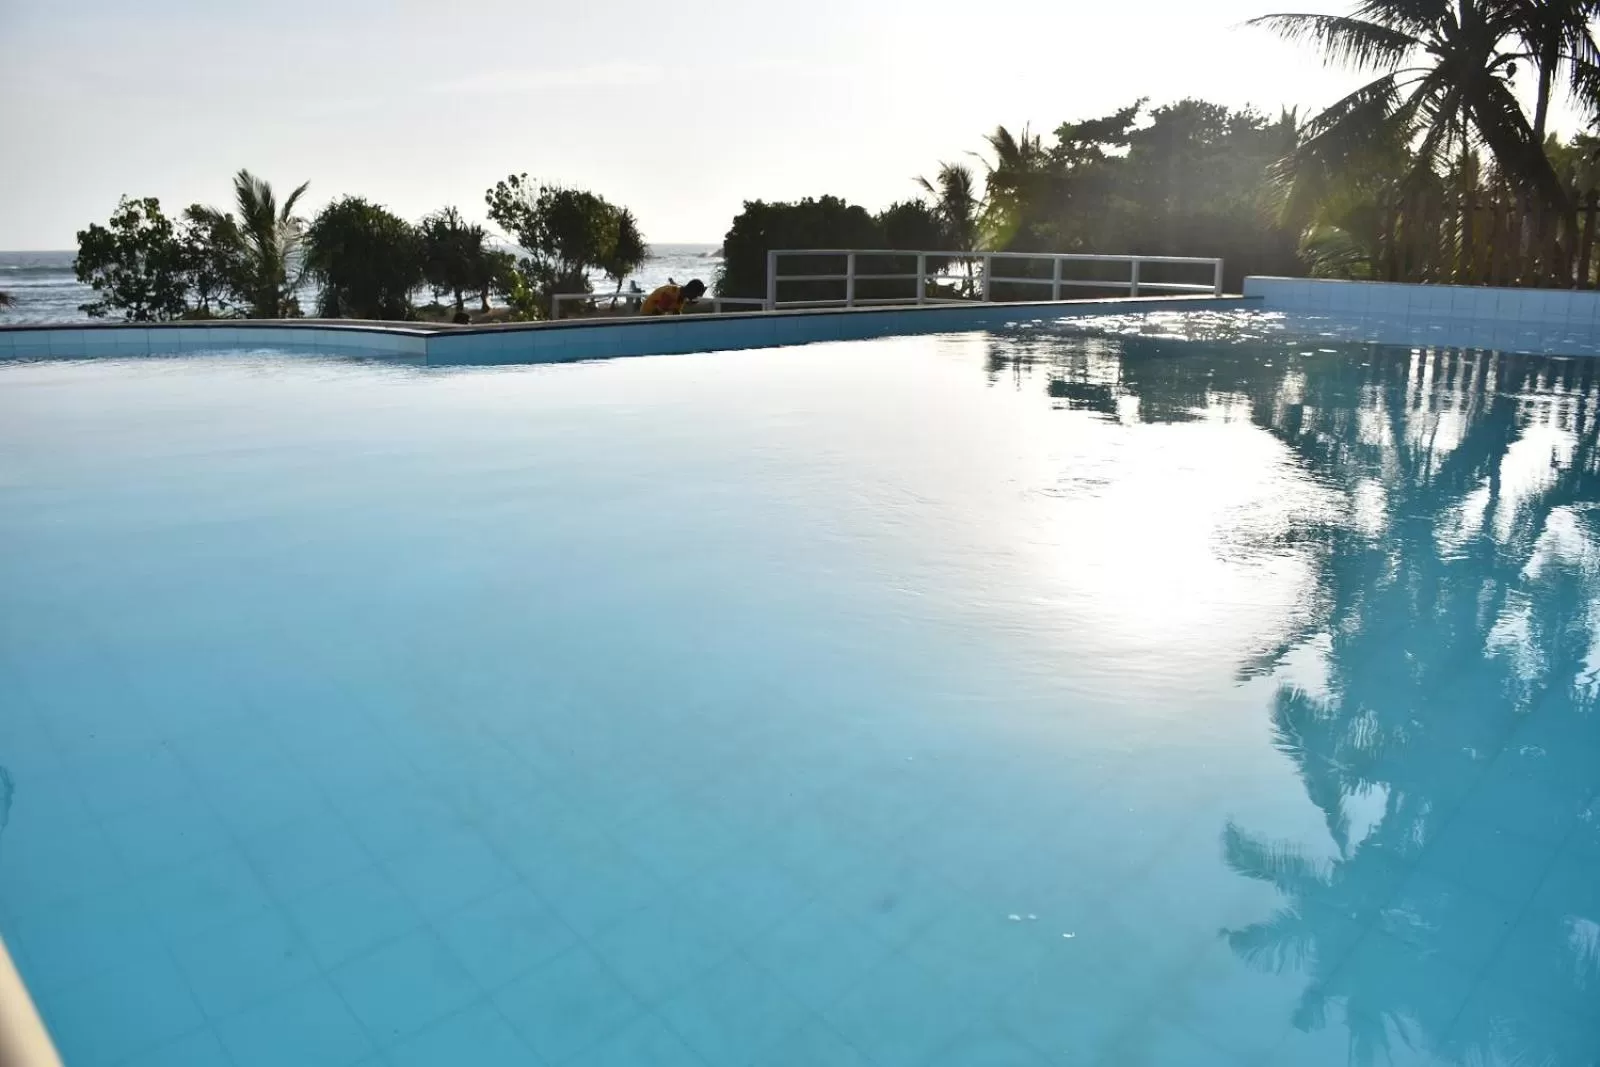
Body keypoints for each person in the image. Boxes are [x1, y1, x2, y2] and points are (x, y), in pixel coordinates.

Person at [639, 278, 706, 316]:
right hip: (647, 314)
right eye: (696, 294)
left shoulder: (681, 296)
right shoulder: (670, 295)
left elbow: (676, 314)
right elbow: (656, 314)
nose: (696, 297)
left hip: (657, 313)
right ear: (692, 291)